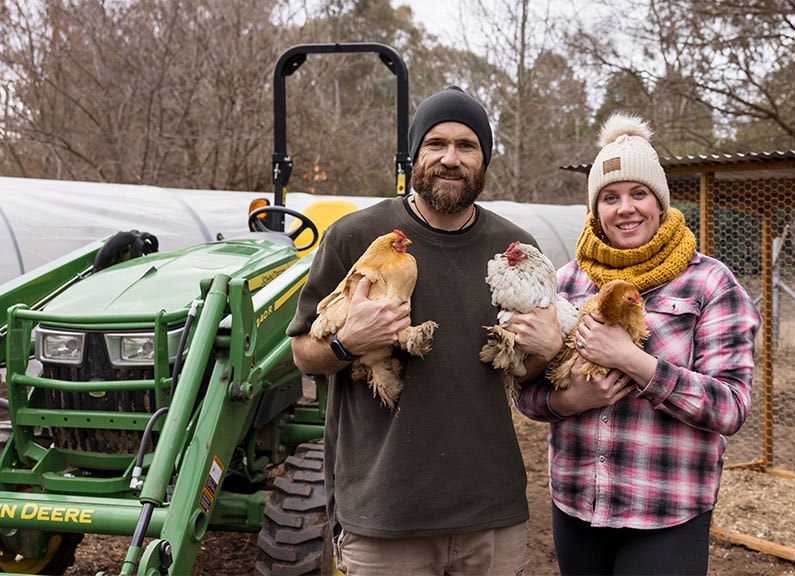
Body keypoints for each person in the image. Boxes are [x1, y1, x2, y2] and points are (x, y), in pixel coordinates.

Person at [288, 86, 546, 575]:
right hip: (385, 514)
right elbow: (303, 352)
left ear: (484, 160)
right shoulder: (352, 235)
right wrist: (346, 344)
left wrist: (545, 348)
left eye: (467, 146)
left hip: (490, 514)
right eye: (436, 144)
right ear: (414, 155)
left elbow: (530, 370)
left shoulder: (516, 247)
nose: (451, 159)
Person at [515, 113, 761, 575]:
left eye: (638, 193)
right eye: (610, 197)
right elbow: (524, 391)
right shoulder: (566, 283)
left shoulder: (710, 283)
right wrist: (571, 400)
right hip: (576, 505)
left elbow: (730, 408)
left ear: (660, 202)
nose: (625, 208)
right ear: (596, 209)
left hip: (666, 512)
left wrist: (634, 362)